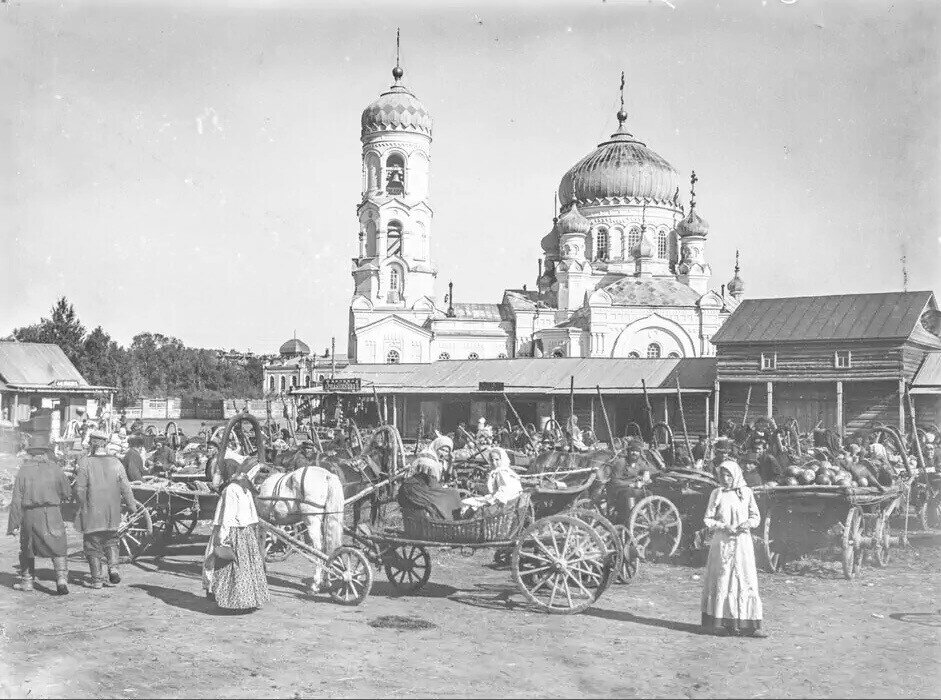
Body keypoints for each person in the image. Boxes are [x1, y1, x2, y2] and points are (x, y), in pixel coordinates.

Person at [701, 460, 765, 638]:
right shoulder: (717, 493)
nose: (725, 479)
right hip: (723, 542)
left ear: (736, 474)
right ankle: (719, 623)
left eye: (729, 475)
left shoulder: (746, 492)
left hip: (743, 542)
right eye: (722, 475)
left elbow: (756, 516)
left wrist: (747, 524)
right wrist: (723, 526)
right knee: (723, 578)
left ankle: (749, 625)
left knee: (744, 578)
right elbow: (708, 519)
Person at [73, 430, 138, 589]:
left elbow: (79, 490)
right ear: (105, 444)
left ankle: (96, 580)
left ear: (91, 444)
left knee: (92, 545)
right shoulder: (116, 462)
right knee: (111, 541)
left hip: (92, 512)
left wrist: (82, 505)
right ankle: (113, 569)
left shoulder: (84, 463)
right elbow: (126, 488)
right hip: (112, 511)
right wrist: (132, 507)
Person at [202, 457, 269, 611]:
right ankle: (245, 599)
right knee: (242, 566)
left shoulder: (234, 489)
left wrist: (222, 536)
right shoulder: (242, 489)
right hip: (242, 532)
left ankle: (232, 599)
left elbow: (228, 515)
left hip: (234, 531)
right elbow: (247, 514)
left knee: (225, 564)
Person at [7, 447, 72, 594]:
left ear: (30, 454)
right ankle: (61, 580)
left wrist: (14, 524)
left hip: (31, 515)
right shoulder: (55, 468)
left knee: (27, 548)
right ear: (45, 454)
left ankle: (27, 582)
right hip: (53, 512)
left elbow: (16, 499)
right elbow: (67, 492)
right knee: (58, 546)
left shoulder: (24, 470)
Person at [398, 446, 462, 521]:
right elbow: (434, 486)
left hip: (416, 491)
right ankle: (450, 518)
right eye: (442, 450)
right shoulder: (430, 469)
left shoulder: (436, 464)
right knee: (452, 495)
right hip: (418, 492)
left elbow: (439, 483)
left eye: (446, 451)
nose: (444, 453)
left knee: (450, 494)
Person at [606, 438, 655, 524]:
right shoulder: (621, 463)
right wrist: (632, 484)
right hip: (618, 490)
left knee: (648, 493)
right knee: (629, 493)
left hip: (632, 489)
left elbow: (647, 469)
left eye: (637, 451)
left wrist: (646, 475)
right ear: (628, 452)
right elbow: (614, 481)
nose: (634, 453)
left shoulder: (639, 462)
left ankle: (641, 515)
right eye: (632, 451)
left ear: (640, 453)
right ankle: (628, 517)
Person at [461, 447, 523, 513]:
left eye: (497, 460)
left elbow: (504, 490)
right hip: (502, 499)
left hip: (501, 501)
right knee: (471, 502)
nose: (494, 462)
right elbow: (493, 488)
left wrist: (491, 501)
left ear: (502, 459)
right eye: (492, 460)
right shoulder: (505, 471)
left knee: (465, 502)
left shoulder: (501, 472)